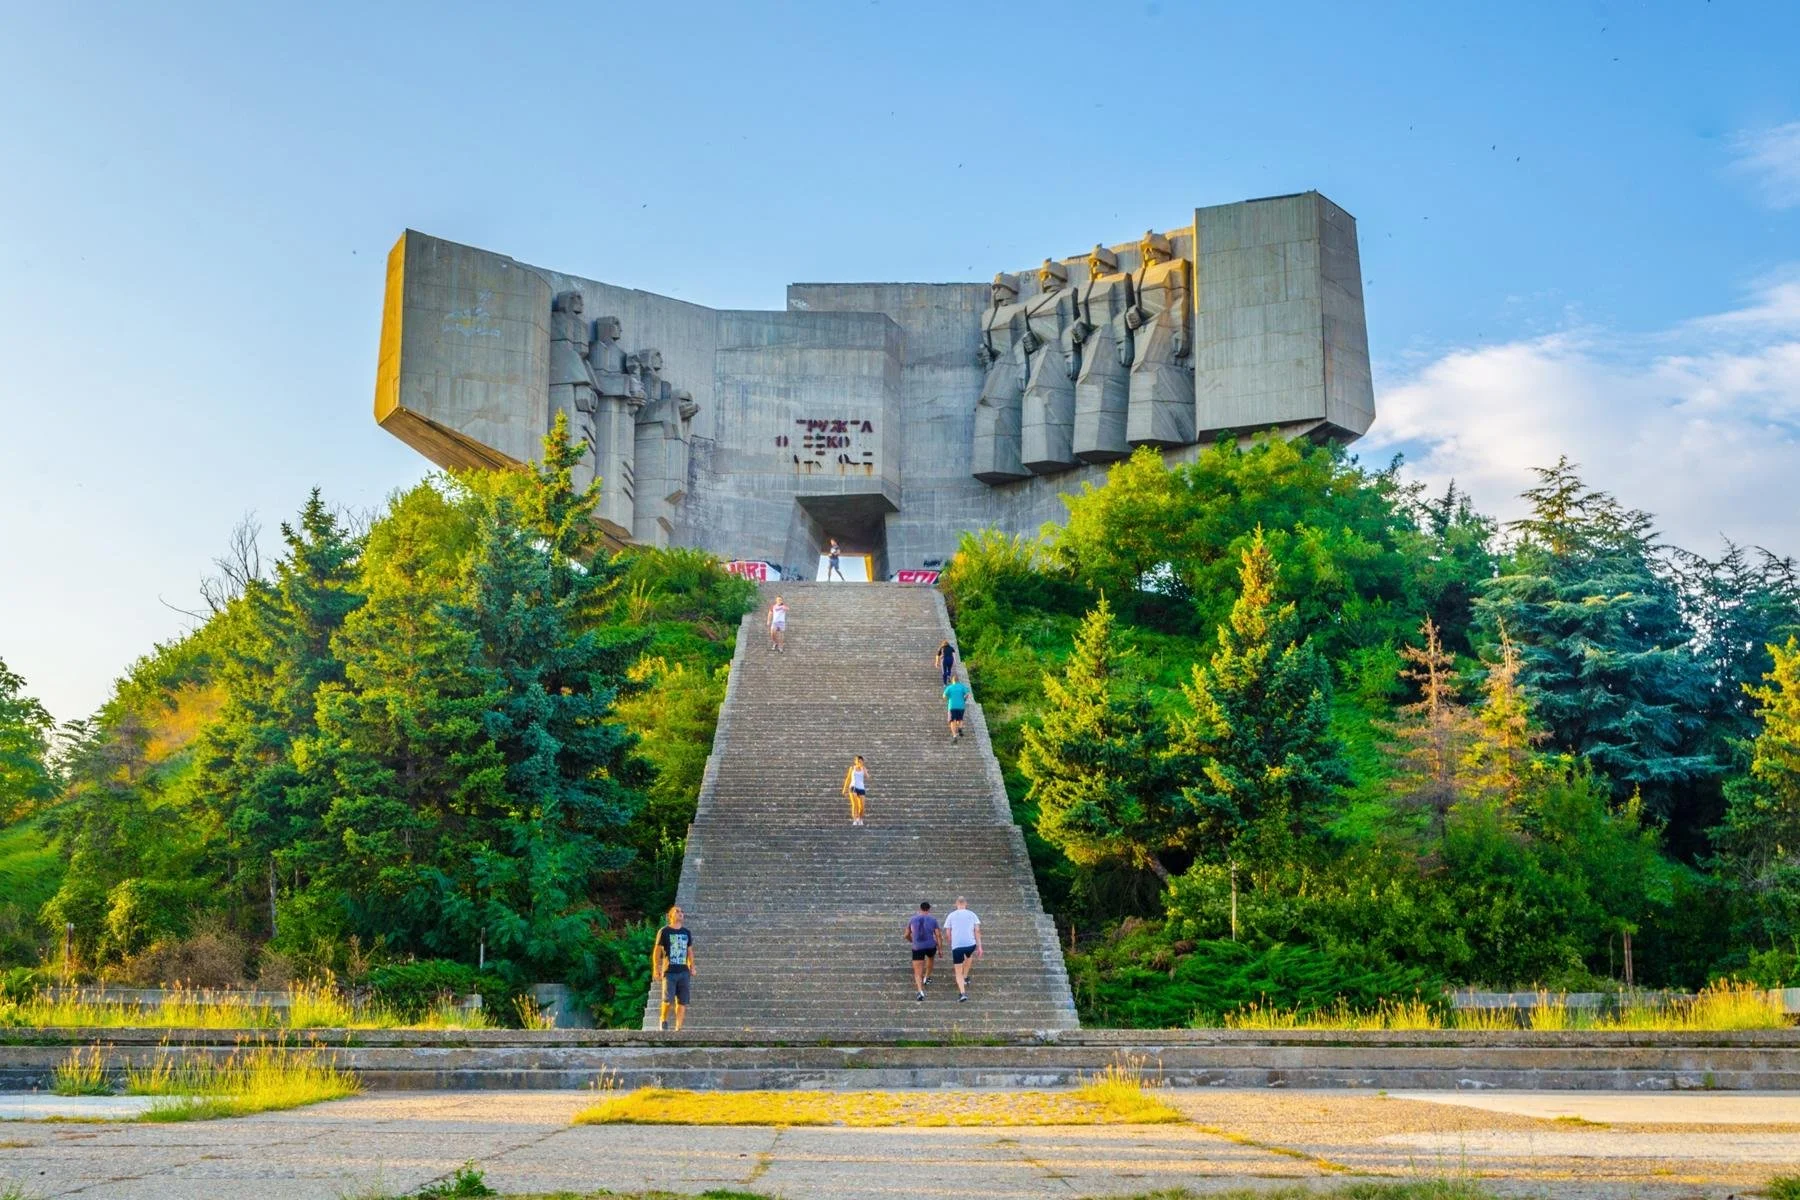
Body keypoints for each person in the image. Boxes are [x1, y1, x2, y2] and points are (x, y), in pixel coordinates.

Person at [652, 905, 696, 1031]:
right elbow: (657, 951)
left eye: (682, 911)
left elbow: (690, 951)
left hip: (683, 972)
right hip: (669, 972)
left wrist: (692, 966)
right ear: (670, 915)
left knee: (682, 1002)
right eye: (677, 911)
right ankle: (663, 1019)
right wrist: (656, 968)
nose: (680, 913)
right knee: (668, 1000)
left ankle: (678, 1028)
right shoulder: (664, 931)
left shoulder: (686, 932)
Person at [943, 896, 982, 1002]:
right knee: (969, 956)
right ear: (966, 904)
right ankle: (965, 976)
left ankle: (962, 993)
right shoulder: (972, 914)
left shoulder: (951, 915)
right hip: (971, 944)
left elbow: (947, 933)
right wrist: (980, 946)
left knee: (958, 971)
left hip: (957, 946)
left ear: (956, 904)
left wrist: (951, 941)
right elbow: (977, 931)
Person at [904, 900, 942, 1000]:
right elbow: (938, 935)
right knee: (930, 959)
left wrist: (912, 941)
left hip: (917, 947)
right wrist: (940, 949)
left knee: (917, 971)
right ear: (929, 909)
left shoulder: (912, 919)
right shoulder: (933, 920)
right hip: (930, 945)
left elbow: (906, 935)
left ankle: (920, 991)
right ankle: (927, 977)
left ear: (920, 909)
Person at [842, 754, 869, 826]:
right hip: (853, 787)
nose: (860, 762)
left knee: (862, 806)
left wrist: (864, 770)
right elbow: (848, 779)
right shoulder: (852, 768)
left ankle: (860, 819)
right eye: (859, 761)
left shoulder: (863, 768)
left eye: (861, 761)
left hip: (861, 788)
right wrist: (845, 788)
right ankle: (855, 819)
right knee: (855, 804)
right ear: (856, 762)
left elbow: (867, 777)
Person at [943, 676, 971, 743]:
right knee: (960, 719)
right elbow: (967, 694)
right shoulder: (962, 686)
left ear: (953, 681)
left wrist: (948, 699)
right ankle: (960, 728)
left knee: (952, 721)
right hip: (961, 706)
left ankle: (955, 736)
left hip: (952, 706)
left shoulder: (949, 687)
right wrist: (964, 699)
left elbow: (944, 696)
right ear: (958, 681)